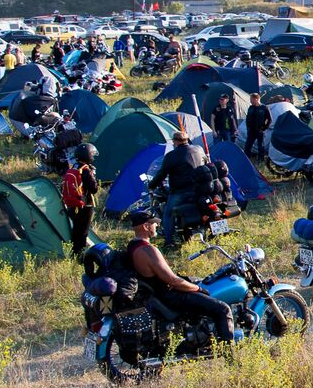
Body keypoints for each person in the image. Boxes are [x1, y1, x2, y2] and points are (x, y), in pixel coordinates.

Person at [125, 209, 236, 349]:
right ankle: (229, 353)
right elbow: (172, 281)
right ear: (145, 226)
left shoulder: (132, 245)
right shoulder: (148, 250)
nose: (157, 226)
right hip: (169, 294)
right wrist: (198, 288)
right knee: (223, 309)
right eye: (153, 224)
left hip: (155, 292)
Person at [148, 131, 207, 245]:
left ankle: (169, 241)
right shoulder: (197, 150)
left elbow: (162, 173)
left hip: (181, 191)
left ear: (175, 141)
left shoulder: (172, 155)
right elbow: (205, 162)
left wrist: (151, 185)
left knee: (168, 213)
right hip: (199, 189)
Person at [62, 143, 100, 254]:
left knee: (76, 229)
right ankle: (80, 253)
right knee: (83, 231)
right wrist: (93, 176)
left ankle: (74, 251)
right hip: (85, 205)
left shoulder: (74, 167)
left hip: (73, 204)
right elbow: (94, 189)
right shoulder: (86, 170)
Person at [244, 92, 271, 158]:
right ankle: (247, 159)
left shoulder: (264, 108)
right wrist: (248, 127)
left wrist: (264, 128)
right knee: (247, 147)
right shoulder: (251, 107)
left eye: (251, 99)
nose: (250, 101)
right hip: (251, 131)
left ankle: (261, 161)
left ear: (256, 99)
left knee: (260, 146)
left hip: (259, 130)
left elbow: (269, 119)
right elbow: (247, 118)